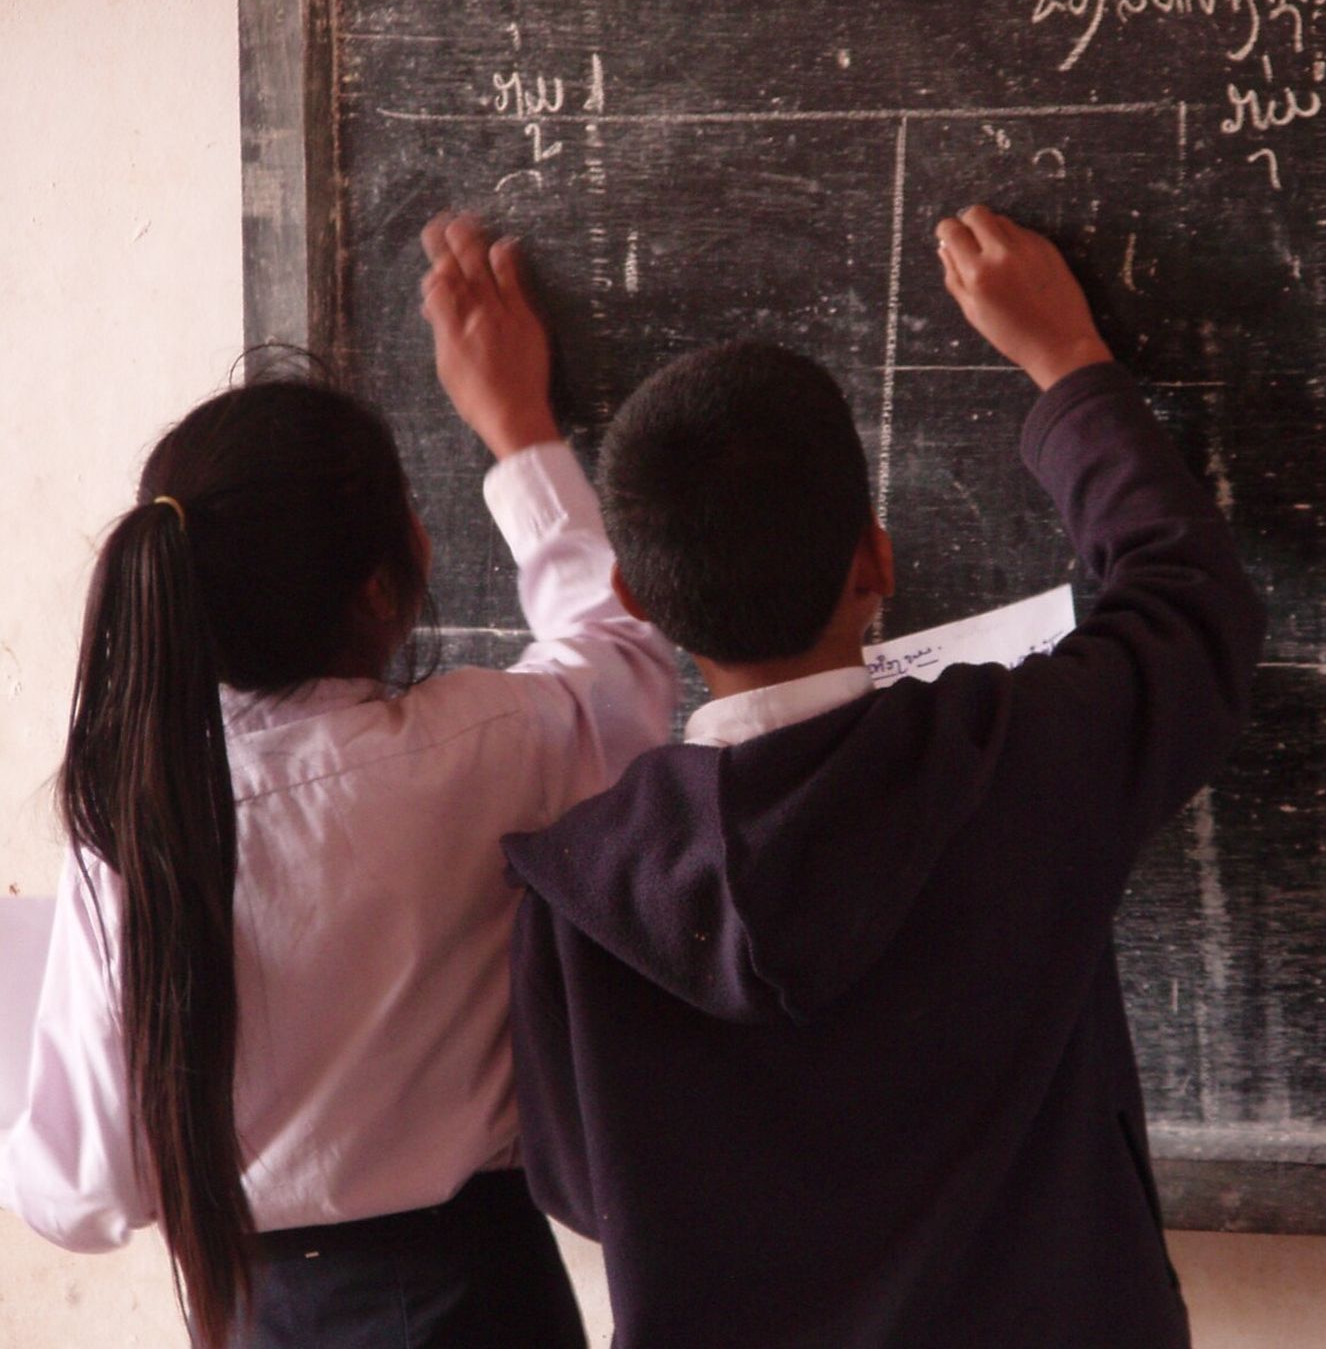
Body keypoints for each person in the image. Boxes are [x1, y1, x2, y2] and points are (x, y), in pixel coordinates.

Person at [499, 207, 1266, 1348]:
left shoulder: (574, 893)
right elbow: (1190, 606)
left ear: (639, 599)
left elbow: (575, 1184)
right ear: (876, 560)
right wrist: (1067, 365)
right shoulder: (1018, 756)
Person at [0, 213, 676, 1348]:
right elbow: (620, 664)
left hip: (264, 1311)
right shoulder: (478, 749)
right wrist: (517, 430)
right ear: (382, 586)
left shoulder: (133, 833)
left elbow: (75, 1194)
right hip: (485, 1294)